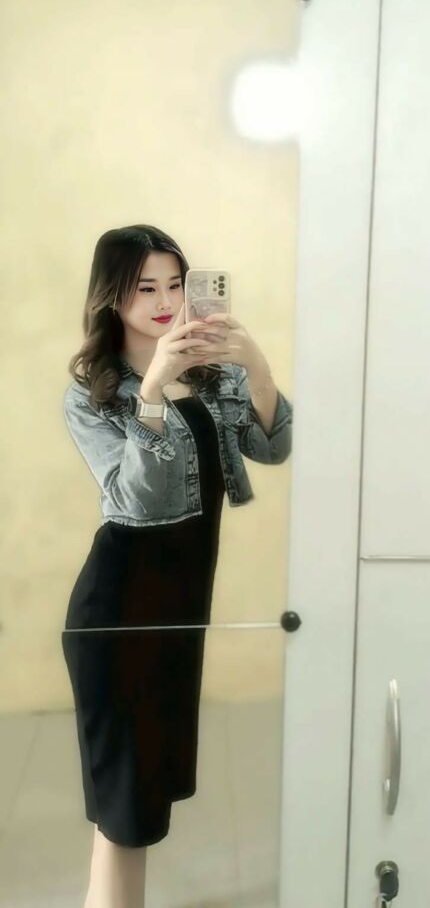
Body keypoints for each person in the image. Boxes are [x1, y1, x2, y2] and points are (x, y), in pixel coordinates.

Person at [60, 224, 293, 908]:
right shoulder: (91, 394)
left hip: (179, 612)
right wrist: (154, 390)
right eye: (145, 288)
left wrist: (256, 367)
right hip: (118, 614)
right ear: (113, 296)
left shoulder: (216, 375)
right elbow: (136, 500)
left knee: (142, 802)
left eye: (173, 284)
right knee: (124, 812)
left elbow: (272, 447)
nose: (165, 302)